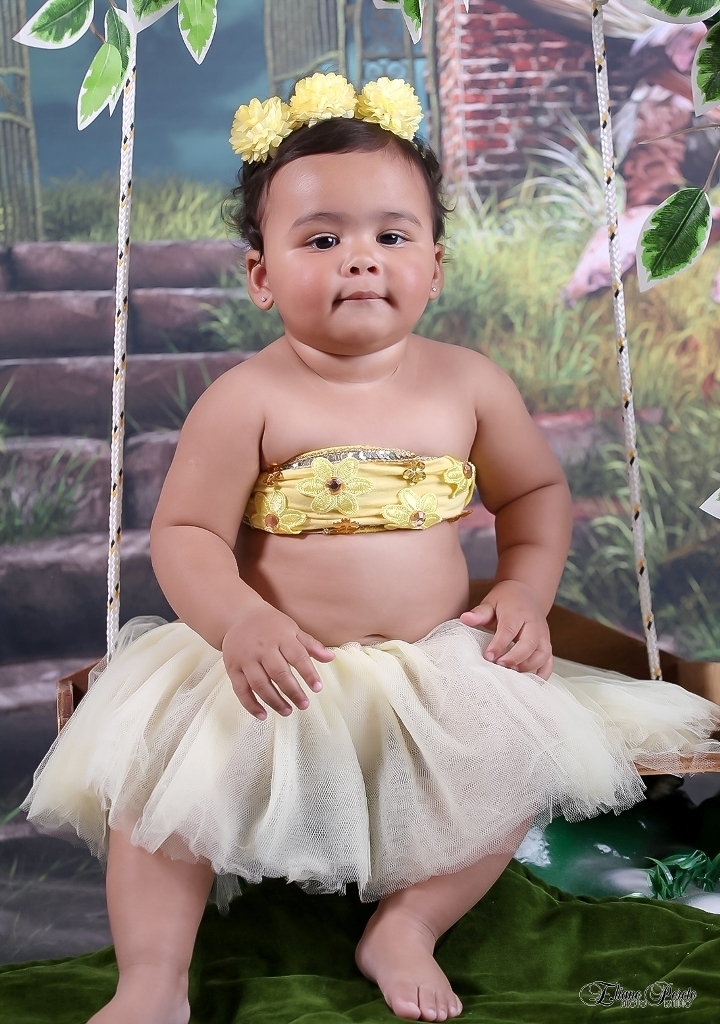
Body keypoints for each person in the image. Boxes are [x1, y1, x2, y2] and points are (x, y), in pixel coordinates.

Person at [20, 73, 720, 1024]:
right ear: (262, 276)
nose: (360, 258)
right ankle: (153, 978)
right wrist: (238, 621)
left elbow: (534, 493)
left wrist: (524, 588)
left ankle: (408, 925)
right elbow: (185, 533)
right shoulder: (247, 398)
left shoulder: (469, 385)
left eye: (391, 236)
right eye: (321, 240)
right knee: (161, 784)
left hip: (434, 664)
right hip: (277, 665)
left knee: (515, 759)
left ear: (434, 265)